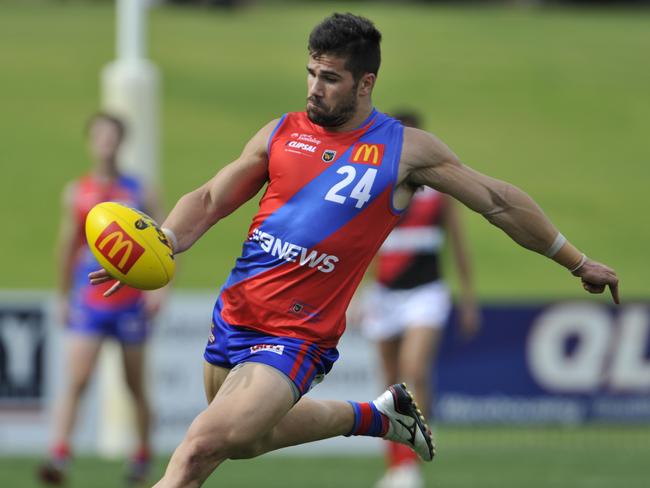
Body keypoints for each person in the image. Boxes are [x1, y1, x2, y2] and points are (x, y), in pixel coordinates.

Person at [90, 13, 619, 488]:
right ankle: (379, 417)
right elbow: (208, 198)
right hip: (234, 315)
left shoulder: (403, 149)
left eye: (330, 78)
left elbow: (499, 202)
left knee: (198, 448)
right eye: (311, 73)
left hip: (297, 336)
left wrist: (574, 259)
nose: (314, 89)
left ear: (366, 83)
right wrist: (158, 246)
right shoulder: (281, 132)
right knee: (246, 441)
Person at [38, 113, 163, 486]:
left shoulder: (140, 190)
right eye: (100, 136)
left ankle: (141, 457)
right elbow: (67, 247)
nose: (106, 142)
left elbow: (164, 244)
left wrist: (162, 289)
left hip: (130, 301)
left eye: (112, 136)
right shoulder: (78, 192)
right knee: (77, 379)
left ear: (121, 141)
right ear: (91, 142)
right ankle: (58, 455)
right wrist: (63, 296)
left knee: (134, 384)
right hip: (90, 299)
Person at [358, 110, 480, 488]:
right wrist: (358, 293)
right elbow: (362, 245)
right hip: (385, 293)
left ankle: (414, 459)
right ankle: (396, 466)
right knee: (389, 383)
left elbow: (459, 245)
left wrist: (469, 298)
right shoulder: (375, 185)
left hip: (426, 292)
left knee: (414, 369)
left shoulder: (439, 191)